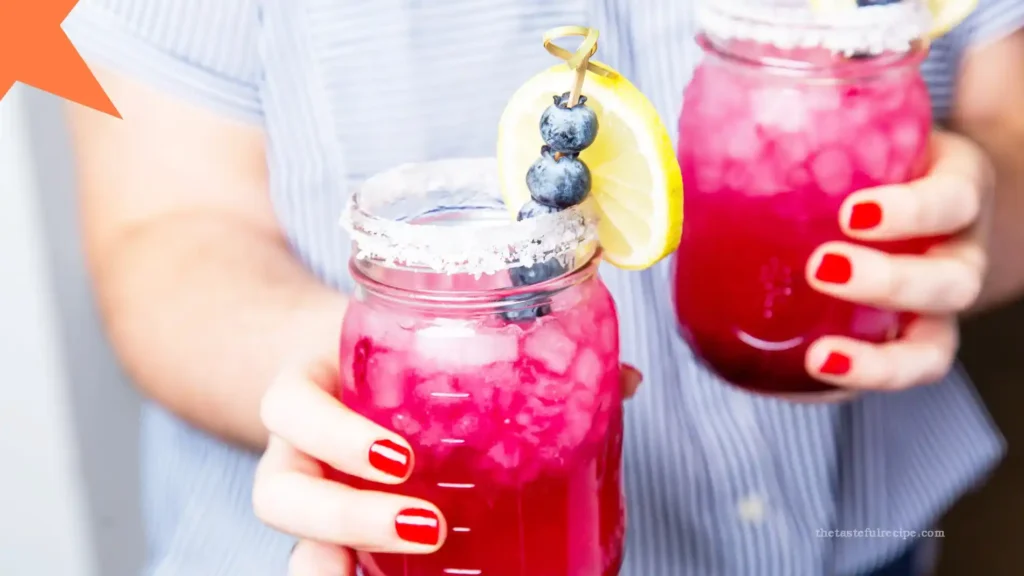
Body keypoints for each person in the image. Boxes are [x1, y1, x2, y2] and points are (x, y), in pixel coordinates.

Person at [64, 1, 1024, 575]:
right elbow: (167, 229)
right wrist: (394, 374)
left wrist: (966, 217)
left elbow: (1005, 124)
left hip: (851, 531)